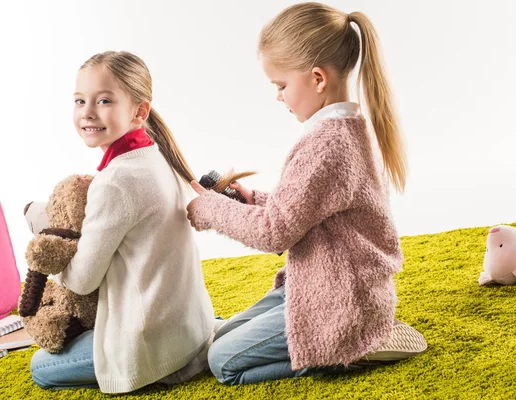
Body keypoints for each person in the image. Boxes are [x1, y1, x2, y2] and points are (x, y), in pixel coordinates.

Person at [186, 2, 426, 385]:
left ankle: (347, 352)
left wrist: (210, 209)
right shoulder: (343, 130)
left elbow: (274, 232)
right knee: (219, 337)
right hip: (319, 285)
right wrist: (256, 200)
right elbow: (309, 208)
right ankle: (357, 336)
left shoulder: (327, 144)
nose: (278, 97)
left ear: (317, 78)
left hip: (340, 304)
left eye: (281, 86)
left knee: (222, 362)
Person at [29, 51, 215, 394]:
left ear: (139, 111)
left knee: (40, 367)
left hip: (153, 348)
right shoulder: (158, 155)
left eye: (103, 100)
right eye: (79, 100)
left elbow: (83, 282)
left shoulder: (115, 181)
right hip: (192, 326)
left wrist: (57, 251)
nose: (87, 112)